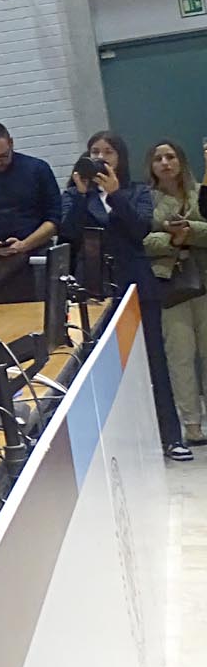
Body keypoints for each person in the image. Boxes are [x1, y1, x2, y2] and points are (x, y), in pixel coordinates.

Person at [61, 131, 185, 460]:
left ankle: (171, 437)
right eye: (95, 151)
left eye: (109, 152)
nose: (101, 157)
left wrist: (115, 195)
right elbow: (68, 235)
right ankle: (118, 447)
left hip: (135, 284)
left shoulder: (138, 191)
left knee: (154, 362)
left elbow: (139, 230)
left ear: (121, 158)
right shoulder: (74, 194)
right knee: (103, 368)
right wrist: (82, 195)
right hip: (94, 290)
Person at [144, 140, 207, 446]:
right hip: (171, 287)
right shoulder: (146, 199)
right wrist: (171, 240)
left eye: (170, 157)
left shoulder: (200, 193)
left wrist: (189, 231)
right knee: (180, 357)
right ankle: (192, 425)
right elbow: (143, 241)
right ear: (151, 166)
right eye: (158, 158)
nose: (165, 163)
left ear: (181, 161)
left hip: (205, 282)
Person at [0, 121, 60, 300]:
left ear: (11, 143)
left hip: (35, 256)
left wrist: (25, 244)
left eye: (3, 156)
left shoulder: (38, 169)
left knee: (41, 309)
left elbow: (54, 220)